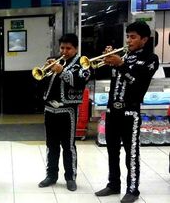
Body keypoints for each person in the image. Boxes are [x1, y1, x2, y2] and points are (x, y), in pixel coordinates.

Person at [94, 21, 159, 203]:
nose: (128, 40)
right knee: (112, 150)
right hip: (112, 112)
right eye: (127, 36)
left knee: (131, 153)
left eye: (133, 37)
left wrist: (121, 65)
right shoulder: (122, 54)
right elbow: (103, 75)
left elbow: (137, 84)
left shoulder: (150, 59)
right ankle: (113, 184)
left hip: (131, 114)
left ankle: (133, 189)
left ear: (144, 39)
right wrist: (108, 59)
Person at [37, 33, 90, 191]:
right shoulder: (55, 60)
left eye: (68, 48)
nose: (64, 51)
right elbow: (42, 82)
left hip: (67, 110)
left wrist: (61, 71)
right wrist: (46, 70)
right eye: (62, 48)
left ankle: (70, 177)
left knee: (68, 146)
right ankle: (51, 175)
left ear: (76, 48)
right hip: (50, 109)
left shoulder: (82, 63)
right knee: (51, 145)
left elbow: (80, 82)